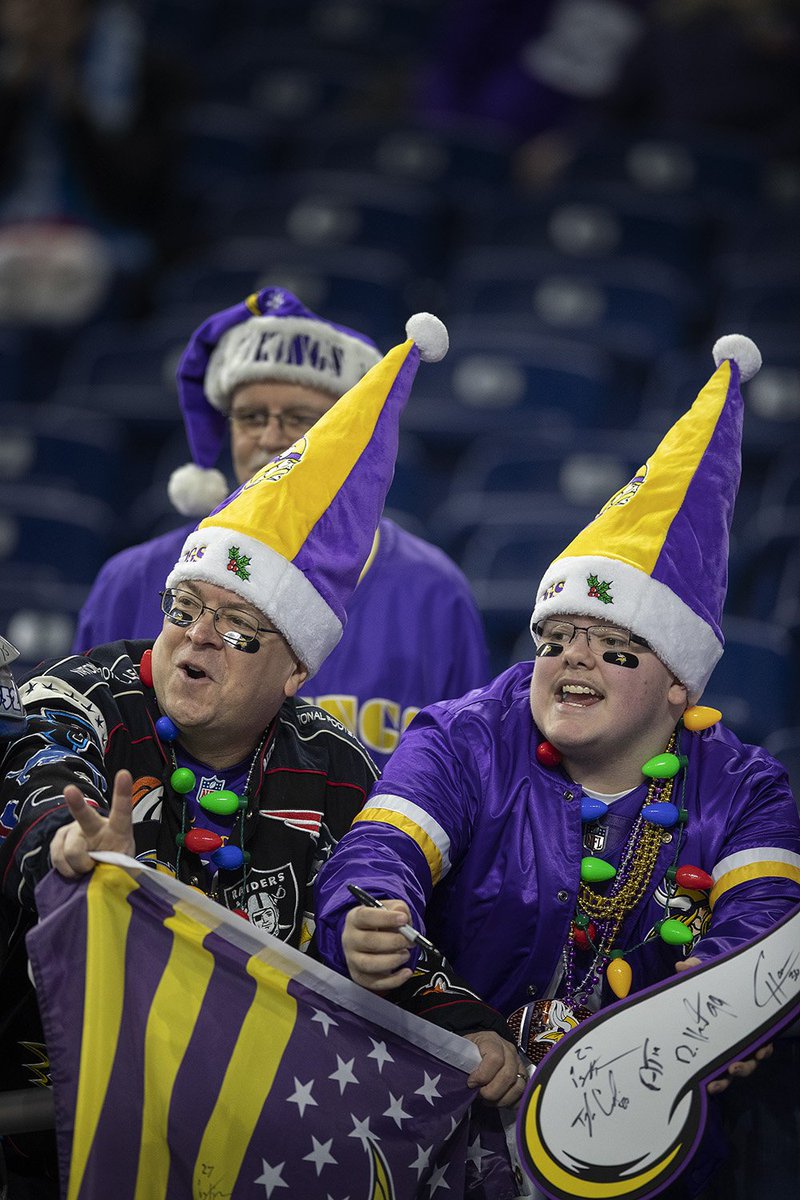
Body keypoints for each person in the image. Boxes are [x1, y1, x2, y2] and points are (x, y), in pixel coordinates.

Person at [0, 313, 515, 1197]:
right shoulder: (81, 694)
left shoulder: (338, 768)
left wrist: (467, 1024)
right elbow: (40, 778)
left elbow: (376, 919)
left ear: (293, 673)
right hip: (44, 1110)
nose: (196, 638)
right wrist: (66, 843)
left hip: (236, 1134)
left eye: (238, 629)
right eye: (182, 610)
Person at [314, 335, 800, 1196]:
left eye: (614, 648)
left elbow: (765, 931)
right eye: (556, 638)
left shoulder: (745, 786)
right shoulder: (467, 734)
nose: (572, 661)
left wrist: (713, 1018)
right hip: (450, 1124)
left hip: (657, 1151)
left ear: (679, 685)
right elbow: (377, 854)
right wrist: (369, 920)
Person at [72, 287, 491, 769]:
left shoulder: (435, 593)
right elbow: (78, 744)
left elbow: (466, 779)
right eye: (250, 416)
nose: (271, 437)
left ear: (351, 439)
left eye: (301, 421)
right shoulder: (130, 579)